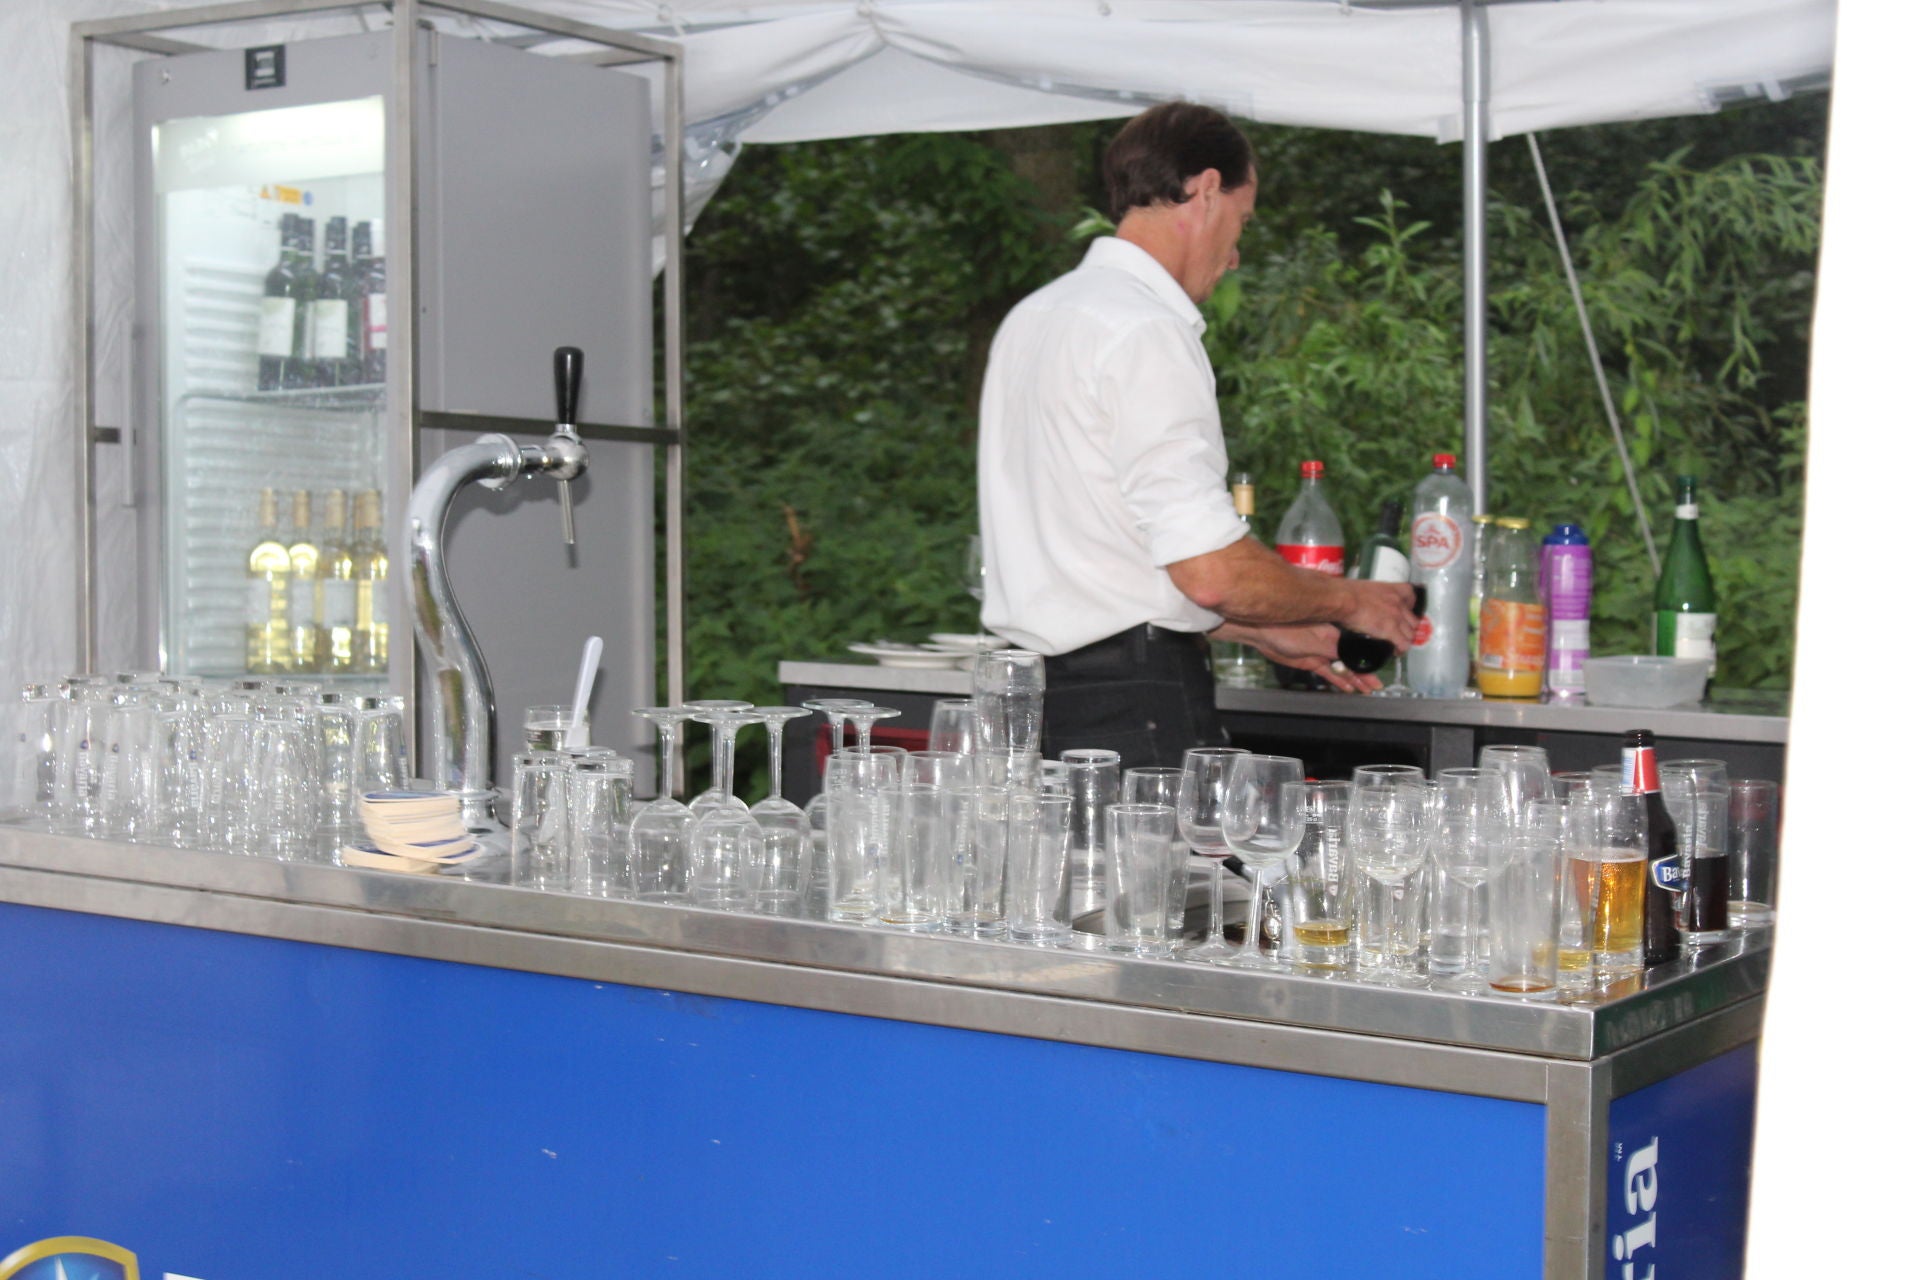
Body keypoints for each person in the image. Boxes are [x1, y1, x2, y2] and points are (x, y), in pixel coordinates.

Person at [976, 101, 1418, 768]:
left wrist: (1264, 631)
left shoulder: (1034, 317)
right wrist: (1352, 600)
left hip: (1026, 706)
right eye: (1242, 221)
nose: (1235, 256)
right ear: (1207, 190)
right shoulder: (1146, 328)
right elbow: (1210, 574)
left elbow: (1099, 570)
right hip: (1134, 711)